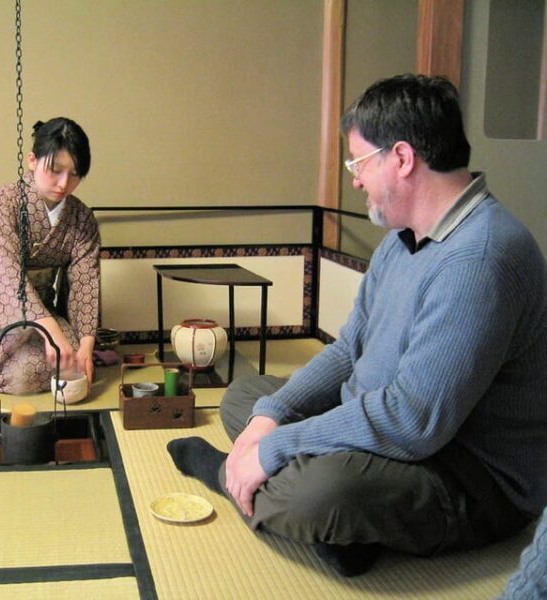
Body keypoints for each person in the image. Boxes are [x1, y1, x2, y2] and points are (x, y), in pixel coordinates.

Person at [167, 74, 547, 577]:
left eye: (359, 163)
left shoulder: (479, 258)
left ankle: (229, 475)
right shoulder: (403, 237)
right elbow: (350, 351)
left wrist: (274, 448)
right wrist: (272, 418)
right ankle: (343, 525)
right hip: (391, 434)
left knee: (321, 492)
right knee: (247, 398)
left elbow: (414, 420)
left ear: (403, 158)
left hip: (464, 476)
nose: (355, 179)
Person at [0, 117, 100, 395]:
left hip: (43, 309)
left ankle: (59, 349)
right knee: (27, 375)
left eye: (74, 174)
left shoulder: (81, 217)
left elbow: (85, 283)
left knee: (72, 364)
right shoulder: (2, 202)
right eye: (55, 170)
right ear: (32, 160)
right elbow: (5, 274)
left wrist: (86, 345)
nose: (63, 183)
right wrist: (53, 333)